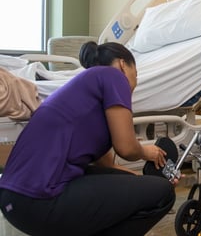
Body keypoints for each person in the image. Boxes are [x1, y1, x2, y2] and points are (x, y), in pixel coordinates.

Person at [0, 41, 176, 236]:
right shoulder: (114, 76)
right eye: (137, 74)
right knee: (164, 193)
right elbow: (126, 148)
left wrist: (139, 181)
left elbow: (107, 167)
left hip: (15, 199)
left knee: (142, 185)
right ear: (123, 64)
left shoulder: (84, 92)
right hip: (39, 198)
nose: (136, 81)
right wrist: (146, 152)